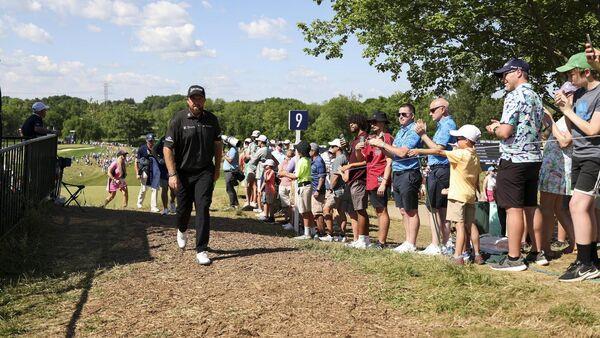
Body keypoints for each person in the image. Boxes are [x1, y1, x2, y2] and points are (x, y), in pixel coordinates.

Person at [485, 58, 543, 272]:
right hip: (534, 158)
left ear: (518, 72)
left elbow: (506, 131)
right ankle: (538, 252)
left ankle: (514, 257)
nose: (503, 79)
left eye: (505, 74)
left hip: (514, 159)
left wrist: (494, 128)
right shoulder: (536, 96)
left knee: (513, 209)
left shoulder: (514, 96)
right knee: (530, 206)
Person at [163, 85, 223, 266]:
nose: (196, 102)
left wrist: (217, 168)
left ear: (204, 100)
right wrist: (172, 174)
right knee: (184, 209)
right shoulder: (178, 119)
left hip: (204, 171)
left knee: (203, 207)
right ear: (188, 100)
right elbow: (167, 148)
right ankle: (181, 229)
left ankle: (201, 249)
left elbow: (218, 145)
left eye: (200, 98)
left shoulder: (212, 120)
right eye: (193, 98)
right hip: (182, 172)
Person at [409, 125, 483, 265]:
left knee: (460, 226)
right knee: (471, 224)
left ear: (466, 140)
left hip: (458, 197)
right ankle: (477, 254)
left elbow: (439, 152)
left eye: (458, 138)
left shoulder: (461, 154)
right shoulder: (475, 156)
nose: (456, 141)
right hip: (469, 195)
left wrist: (418, 150)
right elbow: (473, 178)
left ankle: (457, 256)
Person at [555, 52, 600, 281]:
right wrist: (568, 108)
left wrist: (567, 111)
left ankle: (584, 263)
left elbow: (593, 130)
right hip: (579, 155)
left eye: (572, 73)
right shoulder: (581, 94)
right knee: (586, 208)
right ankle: (591, 259)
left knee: (577, 206)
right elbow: (574, 133)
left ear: (586, 71)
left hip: (595, 156)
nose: (569, 78)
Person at [370, 104, 422, 253]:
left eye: (404, 114)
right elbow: (392, 155)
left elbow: (402, 153)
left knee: (411, 210)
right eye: (399, 114)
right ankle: (407, 241)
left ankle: (411, 243)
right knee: (402, 210)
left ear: (412, 116)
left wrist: (382, 143)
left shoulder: (413, 131)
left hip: (409, 172)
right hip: (398, 173)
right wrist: (382, 148)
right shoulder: (400, 132)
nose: (400, 117)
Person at [536, 83, 576, 256]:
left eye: (564, 94)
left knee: (546, 208)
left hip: (556, 168)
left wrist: (550, 121)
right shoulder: (570, 115)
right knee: (559, 209)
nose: (559, 97)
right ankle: (576, 243)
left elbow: (565, 141)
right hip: (557, 167)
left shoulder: (573, 115)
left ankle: (544, 247)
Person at [414, 98, 456, 255]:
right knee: (442, 209)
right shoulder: (444, 125)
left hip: (440, 169)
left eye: (433, 110)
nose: (430, 113)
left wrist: (423, 136)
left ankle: (436, 244)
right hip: (442, 169)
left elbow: (438, 150)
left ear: (443, 109)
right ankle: (445, 243)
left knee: (434, 208)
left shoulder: (447, 125)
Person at [356, 111, 393, 249]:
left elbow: (389, 161)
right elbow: (362, 160)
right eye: (371, 122)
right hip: (370, 178)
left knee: (382, 210)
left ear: (383, 123)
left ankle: (381, 243)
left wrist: (384, 182)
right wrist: (358, 150)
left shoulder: (387, 138)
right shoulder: (370, 139)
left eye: (375, 122)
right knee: (378, 210)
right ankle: (379, 241)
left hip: (379, 178)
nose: (372, 124)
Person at [341, 114, 370, 249]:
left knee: (361, 210)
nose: (351, 125)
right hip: (353, 178)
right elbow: (353, 158)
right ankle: (360, 238)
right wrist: (346, 149)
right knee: (356, 210)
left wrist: (350, 166)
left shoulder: (363, 137)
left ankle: (364, 240)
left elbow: (364, 161)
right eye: (350, 123)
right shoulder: (355, 140)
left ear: (360, 123)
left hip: (359, 178)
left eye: (354, 123)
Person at [281, 141, 314, 240]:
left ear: (300, 151)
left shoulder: (302, 161)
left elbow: (296, 176)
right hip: (306, 185)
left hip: (303, 186)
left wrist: (284, 174)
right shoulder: (307, 159)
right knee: (307, 210)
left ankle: (307, 233)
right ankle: (312, 231)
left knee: (304, 211)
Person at [135, 133, 160, 213]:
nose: (151, 143)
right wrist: (137, 173)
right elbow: (136, 162)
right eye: (149, 141)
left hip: (155, 171)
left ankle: (154, 207)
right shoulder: (142, 149)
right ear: (146, 141)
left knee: (154, 189)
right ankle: (139, 203)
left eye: (152, 141)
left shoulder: (157, 148)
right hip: (145, 171)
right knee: (144, 189)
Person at [154, 136, 177, 215]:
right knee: (164, 188)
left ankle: (172, 202)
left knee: (174, 188)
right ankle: (165, 208)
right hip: (163, 169)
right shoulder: (163, 139)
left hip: (174, 167)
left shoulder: (178, 137)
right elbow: (154, 150)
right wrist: (158, 159)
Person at [309, 142, 327, 237]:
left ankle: (321, 233)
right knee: (314, 211)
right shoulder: (313, 160)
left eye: (310, 150)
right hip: (313, 188)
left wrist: (318, 190)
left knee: (318, 212)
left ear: (313, 151)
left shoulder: (319, 161)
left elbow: (322, 177)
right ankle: (318, 230)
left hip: (317, 190)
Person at [278, 149, 295, 230]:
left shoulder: (294, 162)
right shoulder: (282, 163)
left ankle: (292, 221)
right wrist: (287, 174)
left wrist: (285, 173)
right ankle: (286, 220)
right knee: (285, 205)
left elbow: (294, 175)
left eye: (290, 157)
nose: (287, 159)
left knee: (291, 205)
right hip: (283, 185)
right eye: (287, 157)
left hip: (291, 185)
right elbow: (279, 174)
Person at [223, 142, 240, 210]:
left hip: (230, 171)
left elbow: (230, 160)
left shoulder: (233, 149)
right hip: (229, 171)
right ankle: (236, 204)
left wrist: (224, 155)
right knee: (231, 188)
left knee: (229, 188)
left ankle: (232, 205)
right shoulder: (232, 149)